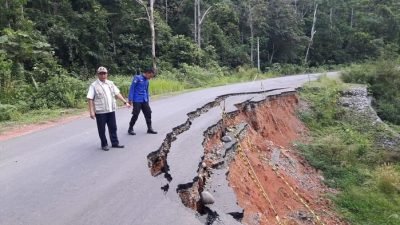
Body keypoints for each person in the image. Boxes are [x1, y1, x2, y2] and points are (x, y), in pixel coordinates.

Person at [87, 66, 131, 151]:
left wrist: (125, 102)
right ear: (98, 75)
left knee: (113, 127)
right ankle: (104, 144)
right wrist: (91, 111)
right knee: (102, 129)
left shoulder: (110, 83)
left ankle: (115, 143)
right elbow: (90, 98)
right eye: (101, 74)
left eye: (104, 73)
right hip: (100, 112)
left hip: (111, 110)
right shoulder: (94, 85)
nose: (103, 75)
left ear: (107, 74)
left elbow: (117, 93)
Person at [127, 68, 157, 135]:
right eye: (150, 76)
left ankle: (149, 128)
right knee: (135, 114)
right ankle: (130, 128)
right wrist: (130, 99)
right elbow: (132, 88)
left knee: (148, 113)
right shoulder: (137, 78)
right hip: (137, 99)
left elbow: (146, 91)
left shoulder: (147, 81)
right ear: (147, 73)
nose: (150, 78)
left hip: (144, 100)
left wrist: (147, 100)